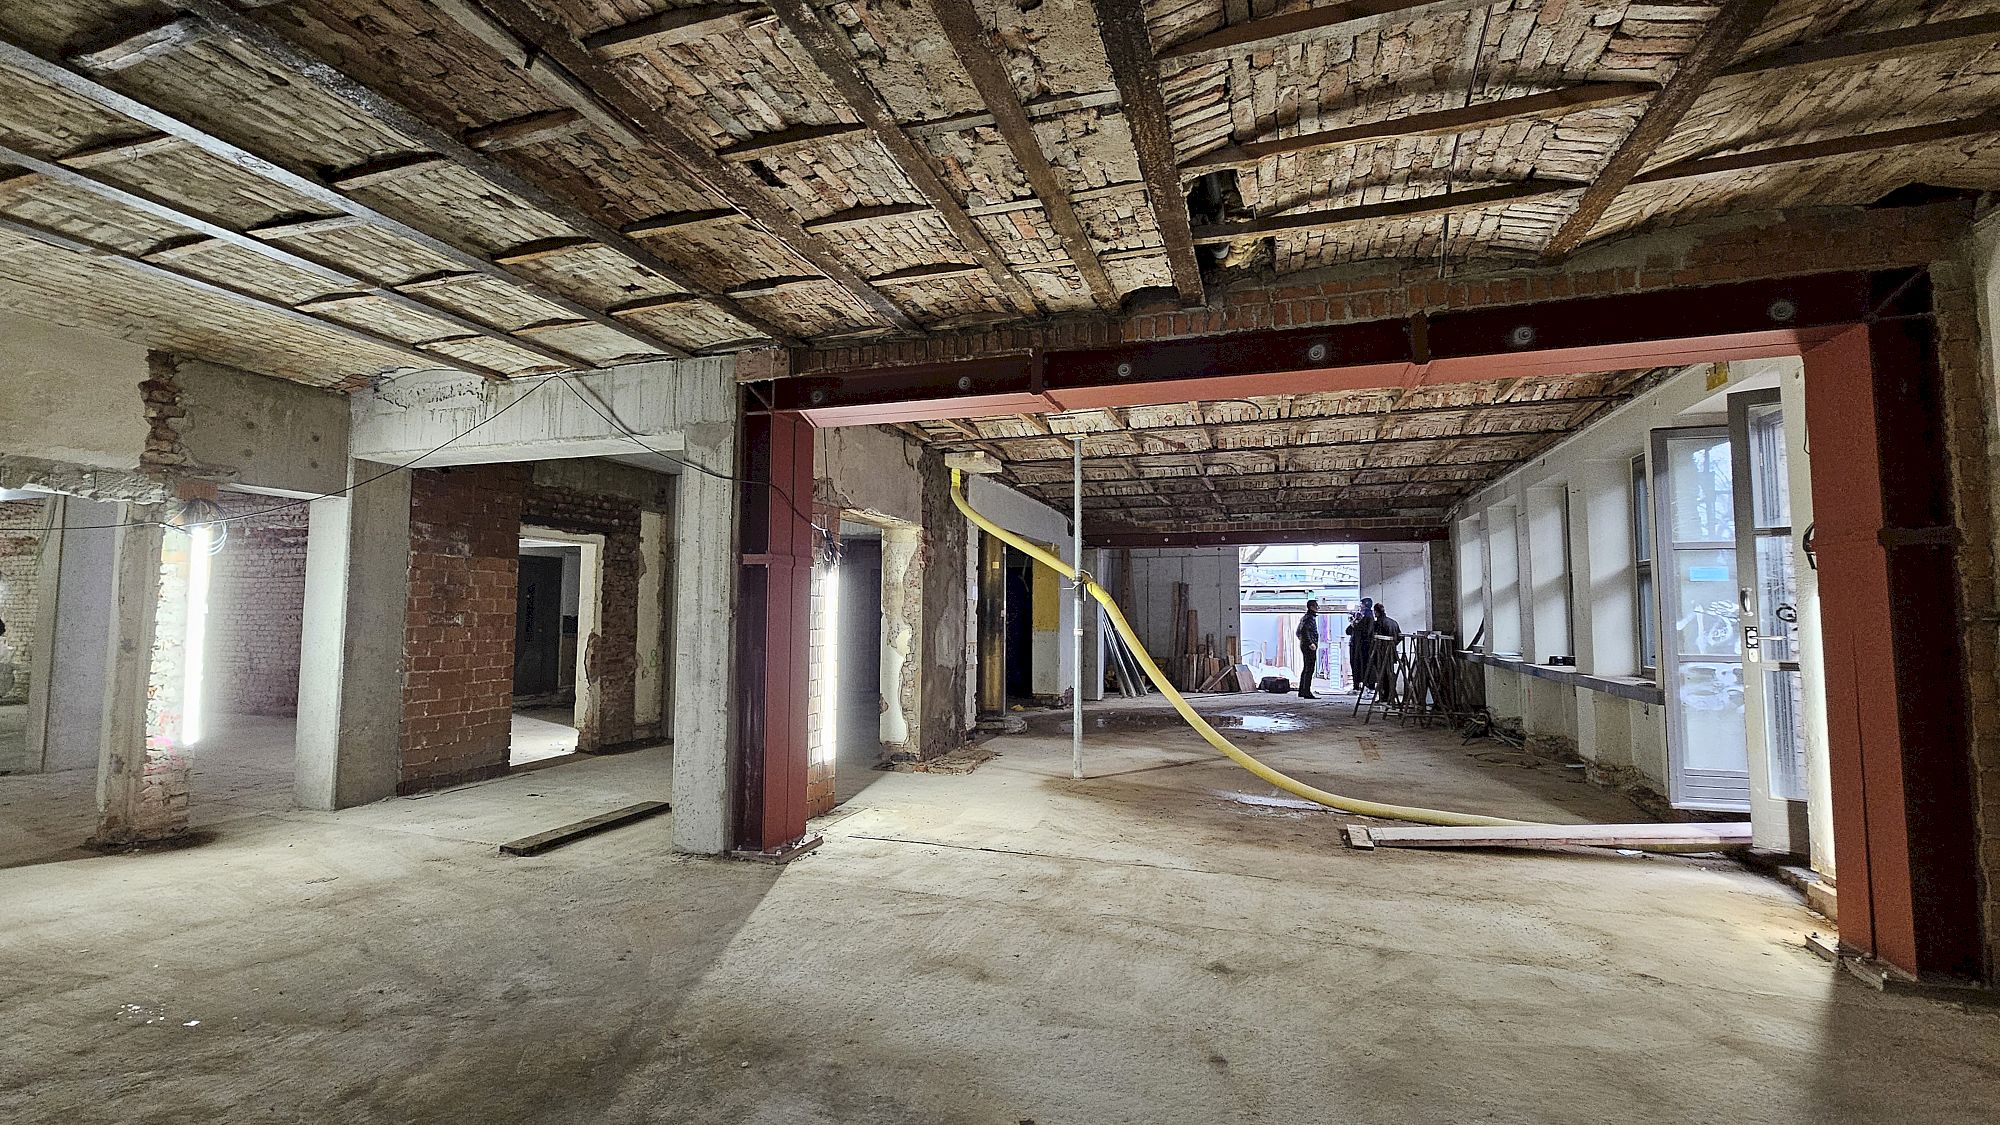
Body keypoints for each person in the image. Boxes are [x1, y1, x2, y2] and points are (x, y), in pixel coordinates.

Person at [1370, 602, 1403, 701]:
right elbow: (1399, 636)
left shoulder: (1379, 623)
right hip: (1391, 653)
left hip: (1381, 654)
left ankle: (1385, 696)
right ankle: (1390, 695)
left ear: (1376, 612)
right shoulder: (1393, 622)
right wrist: (1393, 645)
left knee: (1382, 676)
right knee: (1390, 674)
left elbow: (1375, 638)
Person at [1344, 597, 1373, 694]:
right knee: (1355, 665)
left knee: (1363, 665)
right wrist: (1354, 622)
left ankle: (1367, 686)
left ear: (1366, 605)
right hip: (1355, 646)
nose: (1360, 606)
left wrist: (1357, 623)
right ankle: (1357, 686)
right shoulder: (1359, 618)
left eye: (1362, 604)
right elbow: (1348, 631)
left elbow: (1366, 632)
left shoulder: (1368, 617)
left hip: (1363, 647)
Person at [1295, 599, 1321, 699]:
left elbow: (1298, 632)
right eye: (1316, 606)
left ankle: (1302, 691)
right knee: (1309, 669)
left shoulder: (1305, 618)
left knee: (1306, 668)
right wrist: (1310, 643)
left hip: (1305, 645)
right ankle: (1306, 692)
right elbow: (1304, 631)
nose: (1318, 608)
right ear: (1311, 607)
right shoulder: (1309, 618)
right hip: (1309, 646)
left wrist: (1303, 641)